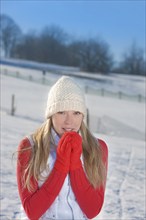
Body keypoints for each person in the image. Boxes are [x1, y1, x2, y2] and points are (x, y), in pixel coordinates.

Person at [17, 75, 108, 220]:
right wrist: (61, 164)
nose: (69, 121)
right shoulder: (30, 147)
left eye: (76, 113)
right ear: (51, 114)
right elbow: (32, 212)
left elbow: (92, 210)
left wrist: (75, 164)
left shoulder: (98, 148)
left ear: (82, 115)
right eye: (61, 112)